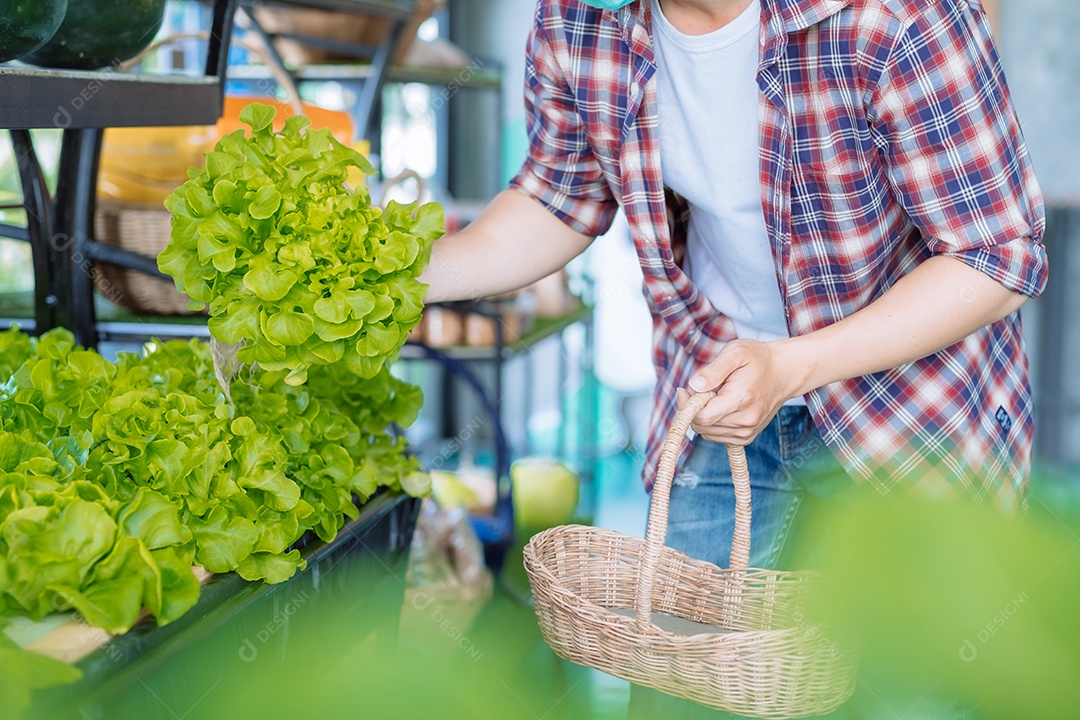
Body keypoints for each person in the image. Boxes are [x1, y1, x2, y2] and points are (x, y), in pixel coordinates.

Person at [420, 0, 1047, 716]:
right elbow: (560, 198)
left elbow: (999, 255)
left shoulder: (893, 17)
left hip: (910, 409)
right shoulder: (578, 18)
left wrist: (791, 365)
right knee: (680, 692)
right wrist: (396, 276)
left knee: (900, 691)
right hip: (721, 403)